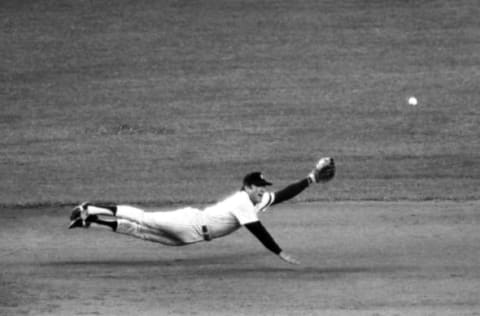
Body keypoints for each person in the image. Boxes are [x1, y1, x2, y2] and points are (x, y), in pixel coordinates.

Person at [69, 157, 335, 265]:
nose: (262, 192)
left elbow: (284, 194)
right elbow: (258, 230)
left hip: (190, 237)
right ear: (248, 186)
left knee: (141, 233)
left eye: (263, 189)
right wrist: (279, 252)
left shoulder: (256, 200)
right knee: (142, 218)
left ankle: (91, 221)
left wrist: (310, 178)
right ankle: (88, 206)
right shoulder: (243, 201)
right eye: (258, 188)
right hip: (187, 222)